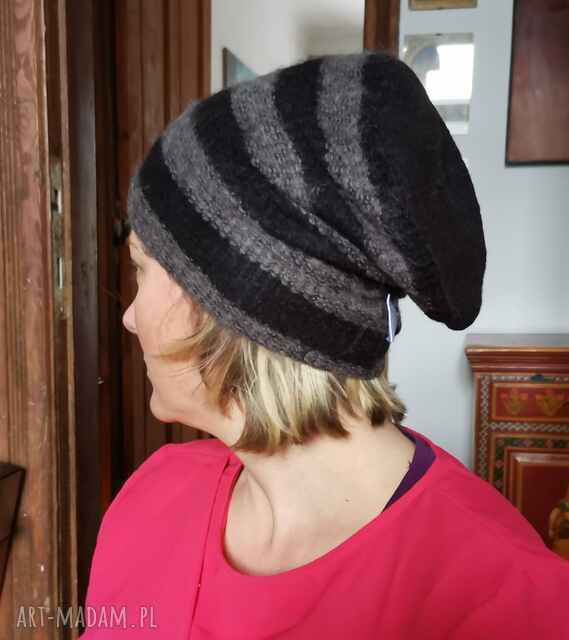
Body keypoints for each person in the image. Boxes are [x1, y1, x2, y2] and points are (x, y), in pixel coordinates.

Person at [81, 51, 569, 638]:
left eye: (140, 268)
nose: (129, 318)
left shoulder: (509, 603)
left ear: (230, 306)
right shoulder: (153, 499)